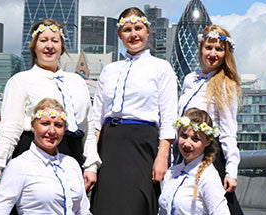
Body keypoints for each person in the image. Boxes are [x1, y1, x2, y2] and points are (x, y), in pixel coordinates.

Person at [0, 19, 91, 213]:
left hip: (71, 155)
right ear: (34, 46)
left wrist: (91, 165)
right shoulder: (20, 80)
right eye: (43, 40)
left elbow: (88, 127)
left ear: (62, 46)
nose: (49, 46)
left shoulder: (78, 82)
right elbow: (10, 127)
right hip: (33, 150)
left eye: (55, 41)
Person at [84, 7, 178, 214]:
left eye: (138, 28)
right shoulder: (109, 70)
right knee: (105, 206)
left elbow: (169, 118)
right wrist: (91, 161)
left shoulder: (162, 68)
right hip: (109, 146)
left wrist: (162, 157)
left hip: (143, 145)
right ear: (119, 34)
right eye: (127, 30)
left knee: (137, 204)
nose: (133, 34)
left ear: (147, 31)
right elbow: (96, 120)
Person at [176, 24, 243, 214]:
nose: (213, 53)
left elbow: (229, 133)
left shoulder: (225, 86)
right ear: (201, 49)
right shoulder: (190, 79)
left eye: (219, 49)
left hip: (210, 155)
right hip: (186, 151)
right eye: (209, 47)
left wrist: (231, 171)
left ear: (226, 54)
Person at [0, 98, 91, 215]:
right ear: (33, 126)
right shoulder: (20, 165)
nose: (52, 131)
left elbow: (83, 210)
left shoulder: (71, 164)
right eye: (45, 124)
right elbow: (0, 210)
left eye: (58, 125)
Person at [159, 108, 230, 215]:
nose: (187, 144)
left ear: (207, 142)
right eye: (184, 136)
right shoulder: (172, 172)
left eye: (195, 139)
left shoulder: (208, 177)